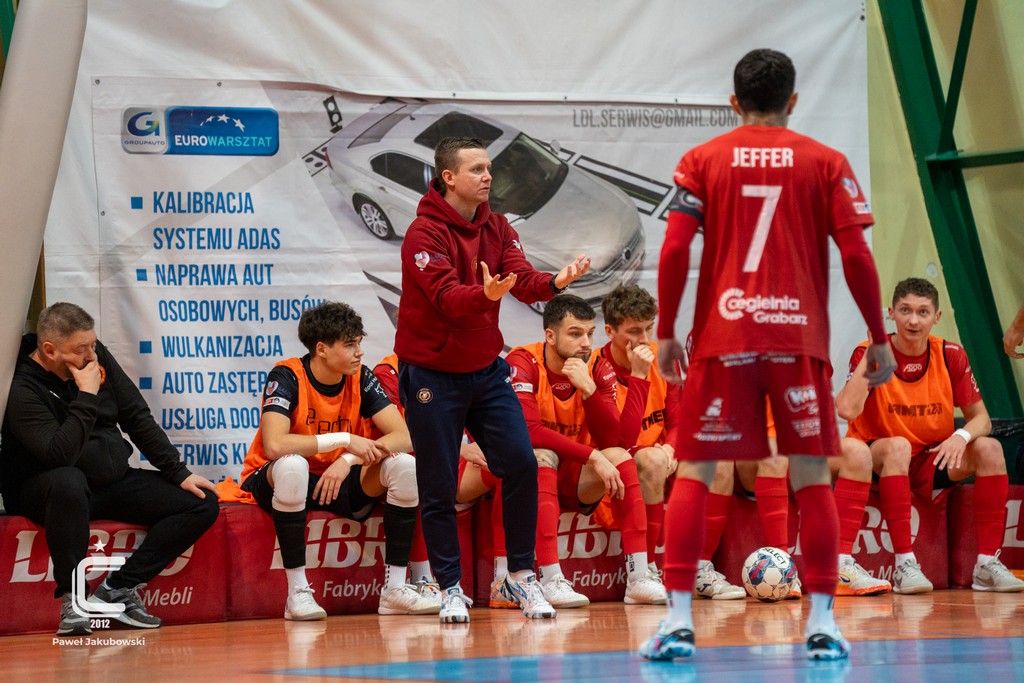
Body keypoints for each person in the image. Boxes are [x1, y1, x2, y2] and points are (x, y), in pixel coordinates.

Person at [640, 49, 896, 663]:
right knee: (810, 475)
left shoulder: (703, 159)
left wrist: (668, 330)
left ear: (734, 103)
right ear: (794, 101)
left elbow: (674, 249)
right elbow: (856, 256)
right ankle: (823, 624)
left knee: (696, 472)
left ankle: (678, 623)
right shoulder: (826, 162)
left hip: (724, 339)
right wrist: (878, 336)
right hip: (796, 341)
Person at [394, 135, 591, 623]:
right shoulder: (423, 234)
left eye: (488, 168)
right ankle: (450, 587)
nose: (487, 176)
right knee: (438, 484)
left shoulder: (499, 226)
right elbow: (447, 298)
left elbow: (520, 279)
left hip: (485, 371)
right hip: (432, 375)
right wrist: (485, 294)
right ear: (448, 178)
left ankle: (521, 576)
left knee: (522, 462)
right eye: (477, 169)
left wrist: (555, 283)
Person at [0, 302, 220, 637]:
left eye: (93, 344)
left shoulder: (93, 355)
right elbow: (60, 454)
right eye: (80, 349)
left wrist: (179, 472)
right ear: (49, 350)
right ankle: (74, 600)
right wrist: (87, 394)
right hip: (47, 490)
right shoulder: (21, 388)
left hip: (107, 482)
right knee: (69, 480)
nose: (91, 356)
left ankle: (118, 588)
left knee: (201, 502)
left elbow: (136, 415)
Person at [239, 301, 438, 620]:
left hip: (338, 478)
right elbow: (275, 444)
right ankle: (297, 594)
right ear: (321, 349)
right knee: (293, 465)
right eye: (350, 345)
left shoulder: (361, 376)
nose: (360, 352)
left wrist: (347, 458)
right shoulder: (287, 375)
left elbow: (404, 436)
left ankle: (394, 590)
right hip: (279, 478)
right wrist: (344, 439)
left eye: (359, 342)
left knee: (404, 465)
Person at [837, 277, 1024, 594]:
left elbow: (981, 420)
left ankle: (986, 565)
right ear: (891, 314)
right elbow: (846, 410)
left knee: (990, 449)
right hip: (877, 458)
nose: (913, 320)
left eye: (922, 312)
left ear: (936, 317)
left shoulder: (950, 354)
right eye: (905, 310)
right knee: (898, 446)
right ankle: (905, 565)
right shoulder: (869, 352)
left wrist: (960, 436)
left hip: (929, 457)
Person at [506, 294, 667, 608]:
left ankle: (638, 578)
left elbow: (619, 440)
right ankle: (550, 580)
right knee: (542, 455)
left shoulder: (595, 366)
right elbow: (529, 431)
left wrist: (592, 390)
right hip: (527, 471)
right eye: (575, 334)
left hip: (574, 475)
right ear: (550, 336)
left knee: (620, 458)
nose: (585, 343)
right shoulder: (523, 361)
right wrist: (592, 456)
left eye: (590, 334)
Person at [596, 284, 744, 601]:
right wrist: (638, 374)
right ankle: (645, 572)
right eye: (634, 331)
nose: (644, 339)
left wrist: (670, 448)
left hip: (662, 457)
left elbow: (679, 418)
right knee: (650, 460)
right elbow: (618, 441)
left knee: (719, 457)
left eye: (649, 328)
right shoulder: (596, 367)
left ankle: (700, 570)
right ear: (610, 331)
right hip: (618, 465)